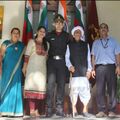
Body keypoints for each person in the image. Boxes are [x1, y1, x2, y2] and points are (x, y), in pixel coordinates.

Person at [91, 23, 120, 118]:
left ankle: (112, 110)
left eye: (105, 28)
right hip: (99, 68)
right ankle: (101, 110)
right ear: (99, 30)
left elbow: (117, 55)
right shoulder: (95, 43)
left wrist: (118, 66)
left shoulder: (114, 41)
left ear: (108, 30)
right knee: (100, 89)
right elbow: (93, 56)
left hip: (111, 67)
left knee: (112, 89)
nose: (103, 29)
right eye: (101, 28)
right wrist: (93, 68)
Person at [45, 14, 71, 117]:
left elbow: (71, 50)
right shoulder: (49, 35)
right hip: (51, 62)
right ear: (54, 24)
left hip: (62, 63)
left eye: (61, 23)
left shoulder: (67, 36)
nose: (59, 24)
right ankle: (49, 109)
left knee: (61, 85)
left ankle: (59, 108)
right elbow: (42, 45)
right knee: (50, 85)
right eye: (57, 23)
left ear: (63, 24)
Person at [65, 26, 92, 118]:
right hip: (74, 72)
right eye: (76, 32)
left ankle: (85, 110)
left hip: (84, 72)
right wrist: (69, 66)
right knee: (74, 91)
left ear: (81, 34)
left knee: (85, 92)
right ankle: (74, 110)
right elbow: (66, 58)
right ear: (73, 34)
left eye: (79, 32)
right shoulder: (69, 45)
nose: (77, 34)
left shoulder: (86, 44)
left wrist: (89, 70)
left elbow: (88, 58)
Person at [22, 26, 48, 116]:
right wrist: (24, 67)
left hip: (42, 70)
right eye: (40, 31)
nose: (42, 33)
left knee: (39, 89)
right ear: (37, 32)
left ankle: (37, 110)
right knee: (31, 89)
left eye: (44, 32)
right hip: (32, 69)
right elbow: (26, 56)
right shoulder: (31, 42)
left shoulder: (47, 44)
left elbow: (47, 58)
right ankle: (32, 110)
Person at [0, 27, 24, 117]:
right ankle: (3, 110)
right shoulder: (5, 43)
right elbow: (1, 56)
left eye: (18, 33)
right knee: (5, 88)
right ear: (11, 33)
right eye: (14, 33)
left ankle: (15, 112)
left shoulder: (22, 45)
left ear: (19, 35)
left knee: (15, 89)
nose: (16, 34)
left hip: (17, 71)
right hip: (6, 70)